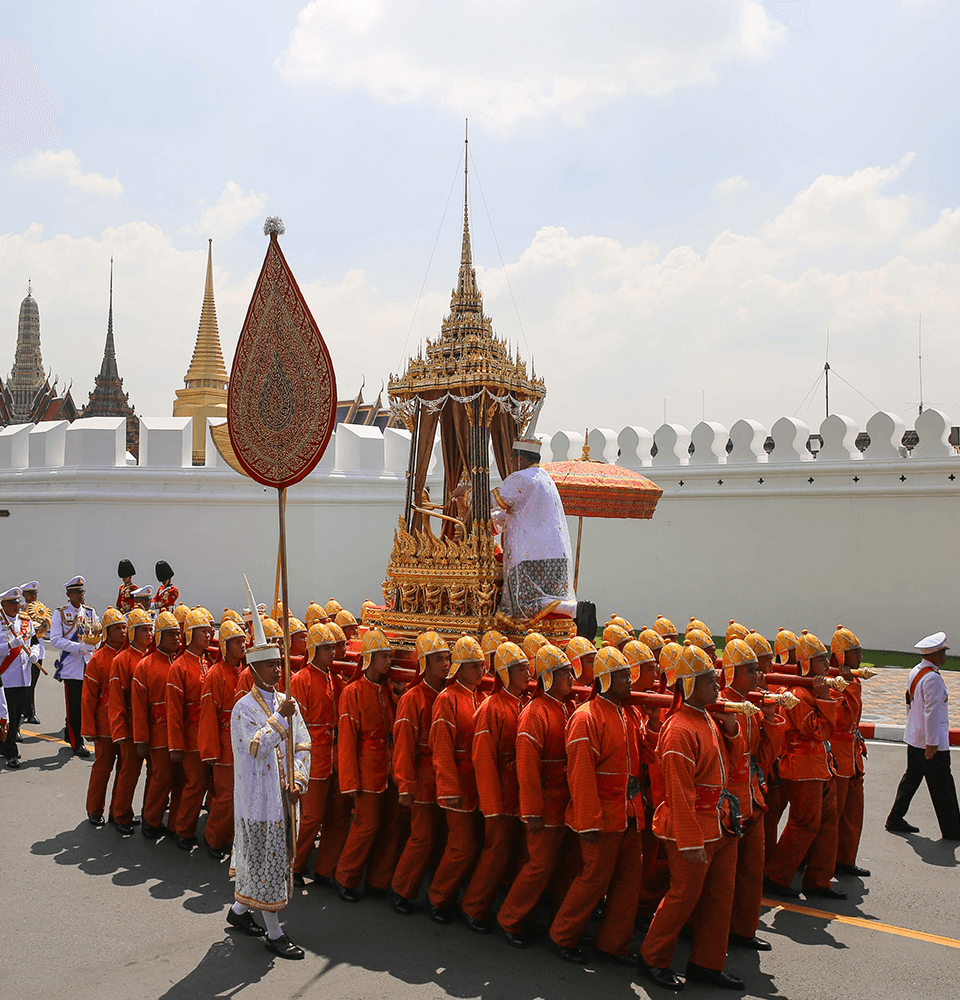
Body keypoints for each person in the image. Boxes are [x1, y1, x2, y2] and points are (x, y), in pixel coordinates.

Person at [639, 642, 745, 992]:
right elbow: (678, 793)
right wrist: (689, 841)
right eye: (707, 678)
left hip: (717, 823)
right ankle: (653, 957)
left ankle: (707, 963)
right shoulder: (679, 728)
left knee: (719, 896)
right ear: (688, 684)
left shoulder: (705, 718)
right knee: (683, 895)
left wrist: (732, 729)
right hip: (692, 827)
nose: (716, 682)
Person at [549, 645, 646, 966]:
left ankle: (613, 944)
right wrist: (587, 820)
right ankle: (563, 935)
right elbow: (580, 774)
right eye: (622, 676)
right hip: (602, 817)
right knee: (593, 880)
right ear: (605, 680)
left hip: (629, 813)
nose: (630, 681)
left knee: (628, 882)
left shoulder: (627, 711)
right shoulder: (586, 717)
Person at [226, 601, 310, 960]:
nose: (277, 669)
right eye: (270, 665)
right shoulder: (243, 708)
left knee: (265, 861)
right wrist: (279, 718)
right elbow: (257, 746)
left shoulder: (287, 702)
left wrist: (299, 781)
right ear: (254, 669)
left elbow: (303, 745)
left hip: (282, 797)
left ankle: (240, 912)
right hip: (257, 800)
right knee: (267, 865)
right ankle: (274, 934)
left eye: (278, 663)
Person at [498, 642, 579, 947]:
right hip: (543, 802)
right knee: (539, 865)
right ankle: (509, 919)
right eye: (563, 673)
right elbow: (527, 769)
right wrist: (531, 811)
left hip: (562, 799)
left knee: (553, 865)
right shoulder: (535, 713)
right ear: (547, 678)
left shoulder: (563, 706)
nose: (571, 678)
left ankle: (530, 916)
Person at [763, 631, 843, 900]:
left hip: (820, 765)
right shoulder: (797, 694)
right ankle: (776, 875)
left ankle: (818, 879)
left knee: (827, 822)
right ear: (807, 664)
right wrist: (824, 697)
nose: (826, 667)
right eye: (821, 662)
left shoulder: (809, 690)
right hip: (803, 766)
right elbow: (819, 731)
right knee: (804, 823)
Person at [460, 640, 531, 933]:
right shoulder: (492, 708)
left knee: (511, 852)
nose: (527, 674)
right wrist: (491, 804)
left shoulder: (520, 702)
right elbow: (483, 758)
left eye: (527, 668)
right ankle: (473, 907)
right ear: (505, 673)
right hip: (500, 794)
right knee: (495, 850)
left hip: (516, 791)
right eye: (520, 669)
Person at [720, 638, 785, 952]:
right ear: (732, 673)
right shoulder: (721, 706)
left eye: (759, 671)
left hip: (753, 799)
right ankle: (710, 932)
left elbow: (765, 756)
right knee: (721, 878)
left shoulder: (753, 707)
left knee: (750, 871)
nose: (759, 677)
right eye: (751, 671)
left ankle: (743, 929)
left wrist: (770, 719)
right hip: (727, 805)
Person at [335, 628, 402, 901]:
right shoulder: (353, 692)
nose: (389, 662)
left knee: (391, 827)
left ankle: (379, 881)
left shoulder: (388, 690)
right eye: (384, 656)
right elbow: (347, 740)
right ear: (370, 658)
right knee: (366, 826)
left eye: (390, 656)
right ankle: (346, 878)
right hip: (366, 770)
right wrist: (349, 780)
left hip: (389, 768)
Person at [390, 631, 450, 915]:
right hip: (423, 777)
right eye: (439, 659)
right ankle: (401, 889)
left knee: (442, 837)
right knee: (422, 837)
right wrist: (405, 784)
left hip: (446, 778)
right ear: (424, 663)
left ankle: (437, 892)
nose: (446, 664)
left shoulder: (447, 695)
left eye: (448, 658)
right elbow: (402, 744)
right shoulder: (412, 698)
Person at [427, 635, 487, 923]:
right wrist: (448, 787)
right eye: (474, 666)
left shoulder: (481, 697)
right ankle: (438, 898)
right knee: (460, 846)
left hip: (478, 783)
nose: (481, 672)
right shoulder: (447, 699)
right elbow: (441, 746)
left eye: (483, 665)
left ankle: (453, 894)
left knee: (472, 844)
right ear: (460, 669)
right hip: (459, 785)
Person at [491, 431, 576, 625]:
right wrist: (496, 521)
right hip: (556, 558)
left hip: (529, 558)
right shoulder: (546, 479)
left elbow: (489, 500)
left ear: (520, 458)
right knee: (550, 602)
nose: (511, 462)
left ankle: (574, 609)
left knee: (522, 604)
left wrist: (467, 494)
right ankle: (571, 611)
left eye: (512, 458)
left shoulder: (521, 478)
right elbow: (522, 516)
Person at [291, 623, 350, 886]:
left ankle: (325, 868)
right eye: (325, 648)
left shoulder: (336, 680)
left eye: (332, 647)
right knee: (311, 817)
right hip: (312, 759)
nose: (331, 652)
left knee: (337, 815)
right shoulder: (300, 679)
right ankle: (294, 865)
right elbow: (295, 726)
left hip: (335, 756)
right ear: (313, 650)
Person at [886, 631, 960, 840]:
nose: (945, 656)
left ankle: (895, 818)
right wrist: (932, 744)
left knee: (912, 779)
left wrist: (916, 733)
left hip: (915, 738)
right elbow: (932, 713)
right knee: (943, 785)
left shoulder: (916, 672)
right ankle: (953, 830)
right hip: (930, 741)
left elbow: (909, 703)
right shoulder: (933, 679)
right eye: (943, 652)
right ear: (934, 655)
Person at [166, 612, 219, 850]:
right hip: (191, 737)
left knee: (211, 785)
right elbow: (174, 712)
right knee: (194, 784)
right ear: (189, 634)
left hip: (213, 735)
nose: (208, 634)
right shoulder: (180, 667)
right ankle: (183, 830)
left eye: (210, 630)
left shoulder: (209, 663)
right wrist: (176, 745)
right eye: (202, 631)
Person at [132, 611, 182, 838]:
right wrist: (141, 739)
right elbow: (140, 709)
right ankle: (150, 820)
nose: (176, 639)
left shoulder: (177, 662)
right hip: (158, 733)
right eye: (171, 635)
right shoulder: (145, 666)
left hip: (177, 733)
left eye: (178, 635)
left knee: (174, 779)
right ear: (158, 637)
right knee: (160, 777)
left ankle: (162, 816)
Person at [198, 607, 240, 859]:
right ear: (225, 646)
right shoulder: (215, 674)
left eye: (243, 642)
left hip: (240, 743)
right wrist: (211, 750)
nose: (242, 647)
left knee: (239, 797)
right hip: (224, 744)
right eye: (237, 643)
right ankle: (213, 838)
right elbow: (208, 715)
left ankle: (232, 838)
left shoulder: (245, 672)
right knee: (225, 797)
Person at [108, 607, 155, 832]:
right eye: (144, 630)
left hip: (148, 724)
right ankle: (120, 815)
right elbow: (116, 700)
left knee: (147, 773)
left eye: (151, 630)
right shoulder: (123, 659)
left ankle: (126, 811)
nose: (149, 634)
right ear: (133, 632)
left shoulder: (149, 657)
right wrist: (120, 730)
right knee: (128, 772)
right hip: (130, 725)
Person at [830, 625, 870, 876]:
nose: (860, 658)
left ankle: (845, 859)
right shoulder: (835, 683)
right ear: (843, 656)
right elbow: (844, 718)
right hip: (838, 754)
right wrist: (845, 685)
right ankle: (820, 861)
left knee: (853, 812)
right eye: (856, 653)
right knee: (833, 815)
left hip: (852, 754)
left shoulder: (848, 680)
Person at [81, 608, 127, 824]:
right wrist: (89, 728)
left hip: (125, 724)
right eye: (118, 629)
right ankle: (94, 809)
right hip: (104, 725)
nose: (123, 632)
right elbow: (88, 698)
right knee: (102, 768)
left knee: (124, 771)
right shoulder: (98, 659)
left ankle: (117, 811)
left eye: (125, 628)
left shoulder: (130, 655)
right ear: (107, 632)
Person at [48, 576, 99, 757]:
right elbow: (55, 639)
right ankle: (77, 742)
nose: (81, 595)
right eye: (77, 592)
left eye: (82, 591)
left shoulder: (90, 612)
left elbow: (96, 633)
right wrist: (78, 647)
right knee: (74, 705)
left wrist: (93, 646)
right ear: (69, 594)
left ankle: (71, 733)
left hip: (88, 663)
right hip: (71, 665)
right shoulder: (60, 614)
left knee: (87, 703)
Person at [0, 587, 44, 768]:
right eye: (13, 603)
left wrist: (35, 653)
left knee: (17, 714)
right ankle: (10, 750)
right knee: (6, 714)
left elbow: (35, 642)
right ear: (3, 605)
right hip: (6, 675)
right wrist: (10, 645)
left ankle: (6, 745)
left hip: (24, 674)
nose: (17, 606)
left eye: (18, 602)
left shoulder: (25, 621)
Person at [20, 581, 43, 724]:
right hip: (23, 650)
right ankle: (29, 711)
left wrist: (44, 625)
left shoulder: (40, 609)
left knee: (32, 682)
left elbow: (45, 630)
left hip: (37, 649)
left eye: (35, 594)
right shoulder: (20, 609)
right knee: (25, 683)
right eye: (30, 594)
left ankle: (28, 710)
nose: (33, 597)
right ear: (24, 595)